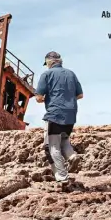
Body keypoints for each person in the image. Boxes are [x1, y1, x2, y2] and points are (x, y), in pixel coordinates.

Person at [35, 51, 83, 184]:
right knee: (65, 140)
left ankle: (62, 177)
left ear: (49, 62)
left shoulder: (47, 74)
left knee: (52, 146)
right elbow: (80, 95)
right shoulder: (71, 74)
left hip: (55, 114)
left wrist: (45, 99)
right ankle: (72, 156)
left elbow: (39, 97)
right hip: (71, 114)